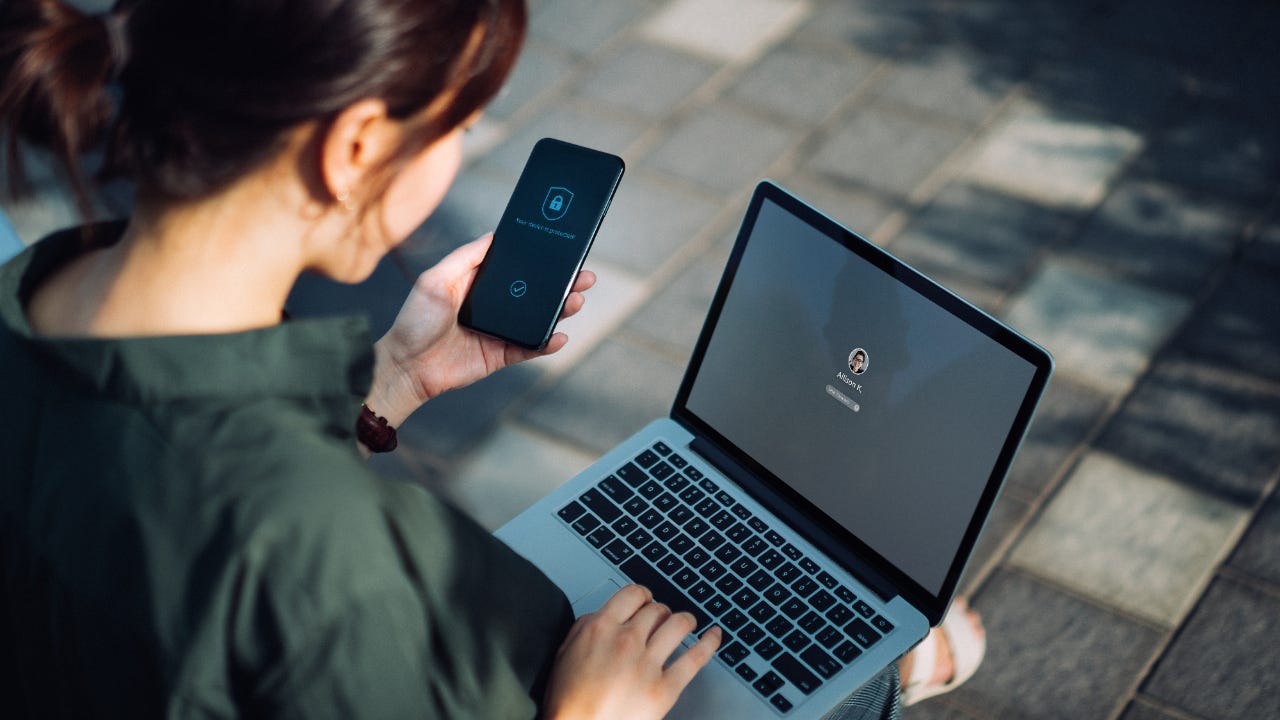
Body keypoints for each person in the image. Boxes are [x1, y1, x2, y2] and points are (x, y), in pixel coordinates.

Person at [0, 1, 981, 717]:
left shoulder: (32, 296)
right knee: (823, 685)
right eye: (459, 125)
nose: (461, 154)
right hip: (556, 686)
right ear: (351, 150)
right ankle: (892, 678)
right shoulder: (315, 554)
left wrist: (396, 382)